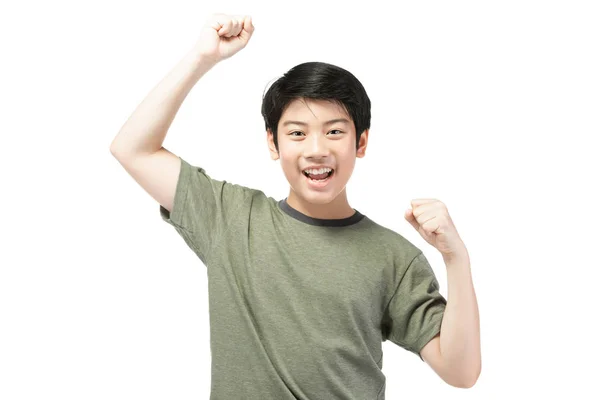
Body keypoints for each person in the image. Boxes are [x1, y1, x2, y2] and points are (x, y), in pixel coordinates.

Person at [110, 13, 481, 399]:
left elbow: (461, 371)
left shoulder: (394, 257)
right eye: (298, 133)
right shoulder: (231, 218)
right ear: (274, 143)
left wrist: (456, 257)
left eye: (335, 131)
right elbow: (132, 149)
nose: (317, 150)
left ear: (361, 142)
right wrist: (203, 58)